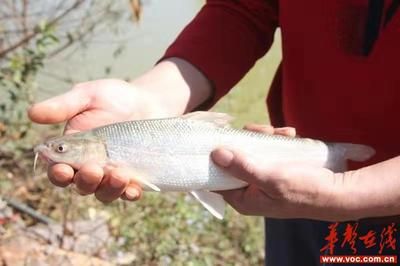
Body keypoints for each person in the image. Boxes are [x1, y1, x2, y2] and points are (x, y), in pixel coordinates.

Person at [28, 1, 400, 265]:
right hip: (288, 190)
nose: (54, 151)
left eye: (63, 147)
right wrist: (155, 97)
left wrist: (349, 193)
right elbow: (244, 9)